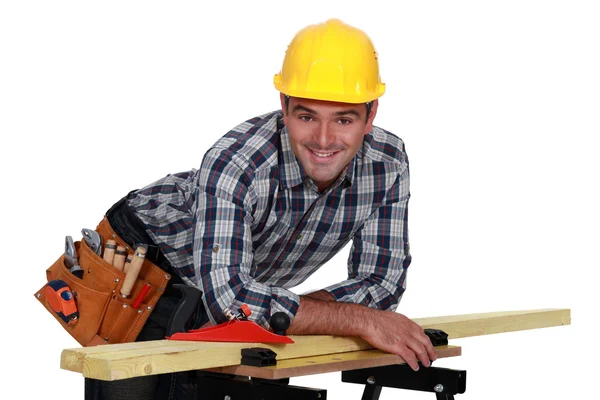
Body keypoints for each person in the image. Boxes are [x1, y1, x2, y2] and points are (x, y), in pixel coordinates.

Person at [86, 18, 436, 399]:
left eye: (344, 119)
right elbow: (232, 300)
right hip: (150, 259)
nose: (323, 139)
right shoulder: (235, 163)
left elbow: (381, 283)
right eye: (306, 116)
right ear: (283, 107)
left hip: (237, 280)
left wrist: (296, 310)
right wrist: (353, 317)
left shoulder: (388, 162)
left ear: (371, 116)